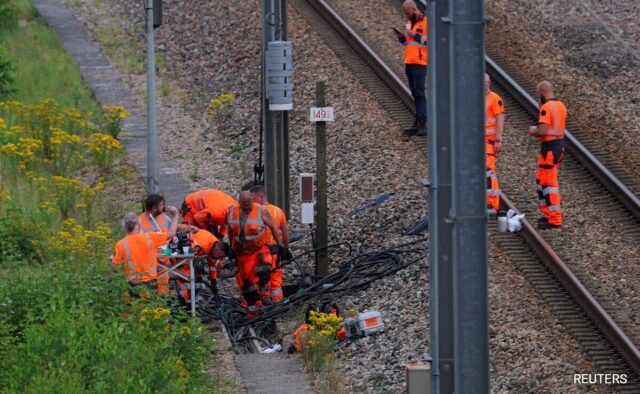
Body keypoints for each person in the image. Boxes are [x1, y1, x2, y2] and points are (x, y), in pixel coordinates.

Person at [227, 191, 284, 314]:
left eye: (249, 204)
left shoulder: (261, 210)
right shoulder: (232, 211)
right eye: (244, 204)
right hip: (242, 252)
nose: (247, 207)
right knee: (247, 282)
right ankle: (252, 304)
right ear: (239, 202)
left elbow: (274, 227)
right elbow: (230, 230)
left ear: (252, 201)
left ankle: (265, 299)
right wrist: (231, 247)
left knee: (263, 272)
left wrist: (280, 246)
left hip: (259, 249)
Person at [139, 194, 199, 294]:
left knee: (163, 290)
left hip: (164, 257)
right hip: (149, 261)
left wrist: (188, 228)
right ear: (154, 208)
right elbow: (170, 233)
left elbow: (174, 226)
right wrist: (175, 215)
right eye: (161, 205)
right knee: (149, 292)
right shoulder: (139, 222)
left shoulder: (163, 217)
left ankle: (184, 294)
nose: (163, 207)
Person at [112, 206, 179, 294]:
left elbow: (115, 268)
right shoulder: (150, 237)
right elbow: (171, 233)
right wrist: (175, 216)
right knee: (151, 307)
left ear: (124, 226)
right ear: (138, 224)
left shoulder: (120, 244)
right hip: (150, 282)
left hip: (132, 284)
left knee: (136, 307)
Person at [528, 81, 566, 229]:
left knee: (549, 183)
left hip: (549, 148)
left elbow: (543, 130)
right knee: (541, 180)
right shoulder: (560, 105)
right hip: (559, 146)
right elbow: (555, 124)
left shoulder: (546, 108)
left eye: (539, 93)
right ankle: (548, 215)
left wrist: (533, 130)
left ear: (543, 92)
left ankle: (555, 219)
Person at [250, 185, 291, 303]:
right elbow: (285, 231)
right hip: (276, 250)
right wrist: (285, 248)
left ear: (261, 197)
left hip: (262, 252)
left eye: (254, 198)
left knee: (263, 278)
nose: (252, 201)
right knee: (276, 278)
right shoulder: (278, 211)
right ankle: (278, 304)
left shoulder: (256, 212)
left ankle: (265, 304)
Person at [394, 0, 428, 137]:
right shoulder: (410, 23)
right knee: (415, 93)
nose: (407, 16)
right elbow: (409, 42)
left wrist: (414, 35)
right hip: (410, 61)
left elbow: (429, 41)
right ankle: (418, 122)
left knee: (419, 93)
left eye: (408, 13)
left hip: (421, 63)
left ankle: (423, 123)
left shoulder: (427, 22)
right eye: (405, 14)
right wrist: (402, 37)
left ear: (415, 9)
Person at [174, 229, 228, 301]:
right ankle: (185, 298)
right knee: (186, 274)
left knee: (196, 275)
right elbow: (190, 251)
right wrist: (197, 261)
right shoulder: (204, 243)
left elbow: (212, 266)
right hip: (180, 249)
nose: (220, 259)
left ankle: (191, 298)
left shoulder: (215, 245)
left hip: (189, 250)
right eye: (220, 257)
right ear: (217, 250)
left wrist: (213, 282)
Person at [484, 74, 505, 211]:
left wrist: (498, 140)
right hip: (478, 143)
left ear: (489, 83)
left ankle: (491, 203)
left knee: (489, 172)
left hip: (489, 142)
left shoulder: (495, 99)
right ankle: (484, 200)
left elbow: (500, 120)